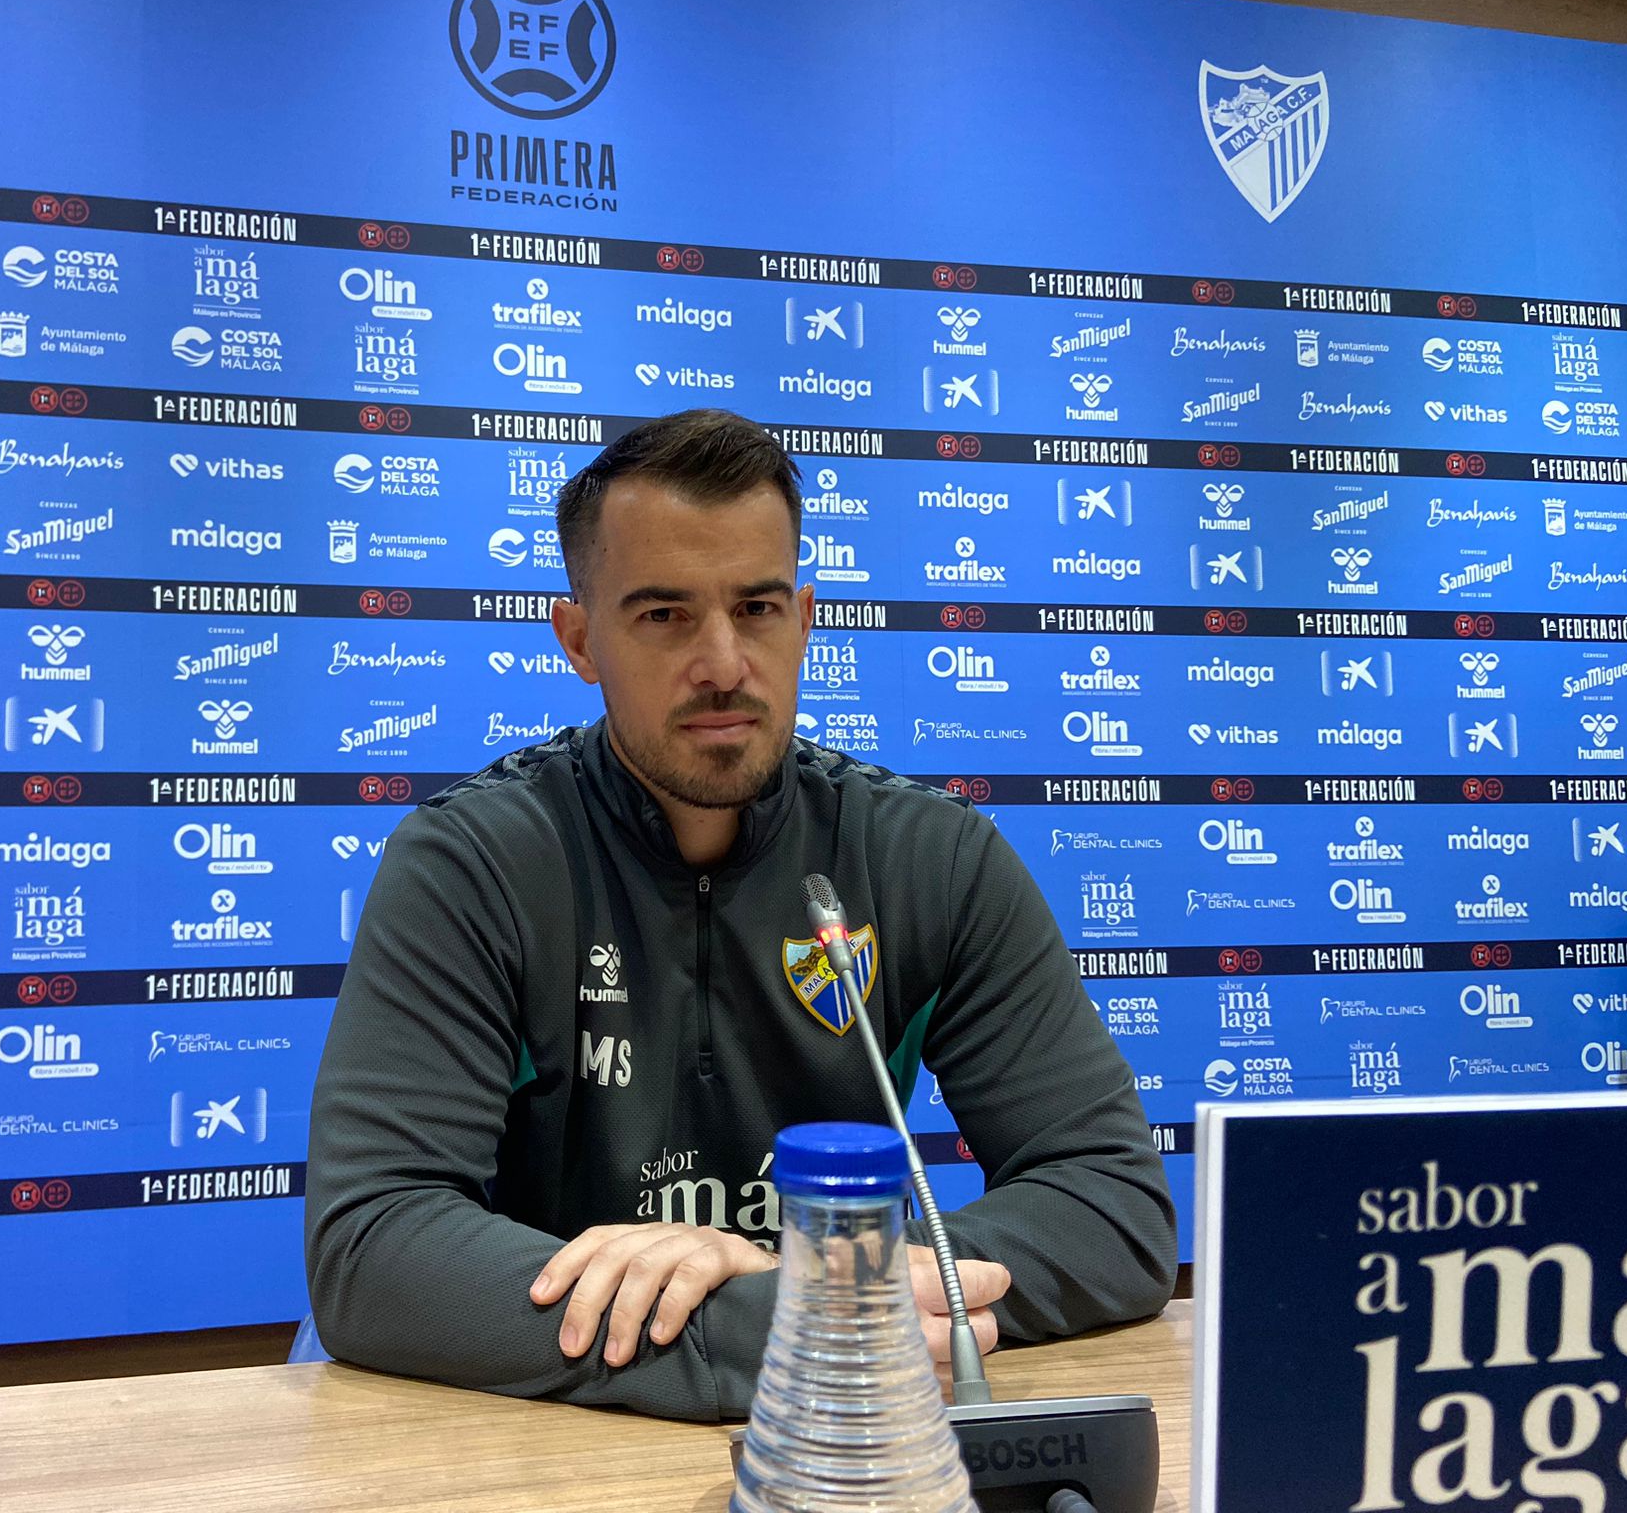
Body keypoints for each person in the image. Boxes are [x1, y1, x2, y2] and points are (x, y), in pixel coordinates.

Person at [306, 408, 1176, 1422]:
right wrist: (789, 1324)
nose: (722, 662)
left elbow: (1111, 1205)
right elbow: (373, 1247)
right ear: (580, 640)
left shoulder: (931, 858)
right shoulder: (473, 864)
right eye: (663, 616)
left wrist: (819, 1291)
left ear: (803, 620)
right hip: (546, 1433)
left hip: (845, 1436)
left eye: (756, 607)